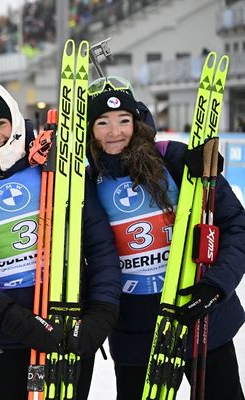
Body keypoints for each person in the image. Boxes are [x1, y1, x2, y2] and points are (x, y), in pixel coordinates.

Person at [0, 82, 122, 400]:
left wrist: (101, 313)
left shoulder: (54, 168)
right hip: (7, 335)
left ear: (14, 119)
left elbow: (100, 248)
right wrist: (9, 317)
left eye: (1, 123)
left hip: (69, 327)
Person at [85, 76, 245, 399]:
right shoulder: (85, 183)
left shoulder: (172, 158)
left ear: (137, 120)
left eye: (123, 120)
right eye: (102, 122)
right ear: (89, 130)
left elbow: (236, 225)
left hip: (201, 319)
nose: (115, 132)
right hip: (135, 332)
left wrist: (215, 286)